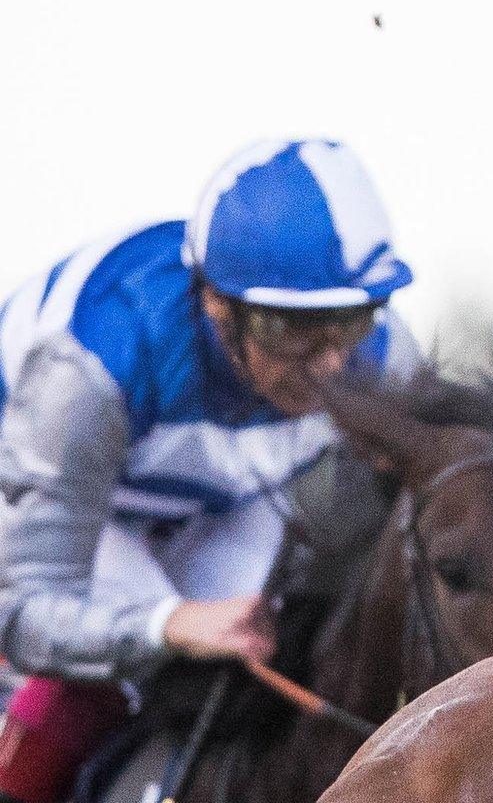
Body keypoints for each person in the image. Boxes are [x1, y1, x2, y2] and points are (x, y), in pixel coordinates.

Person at [0, 139, 418, 803]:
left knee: (269, 647)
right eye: (292, 330)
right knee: (116, 674)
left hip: (206, 500)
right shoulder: (92, 366)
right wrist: (162, 625)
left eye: (349, 322)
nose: (332, 364)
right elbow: (24, 615)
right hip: (38, 494)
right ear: (216, 304)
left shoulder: (385, 356)